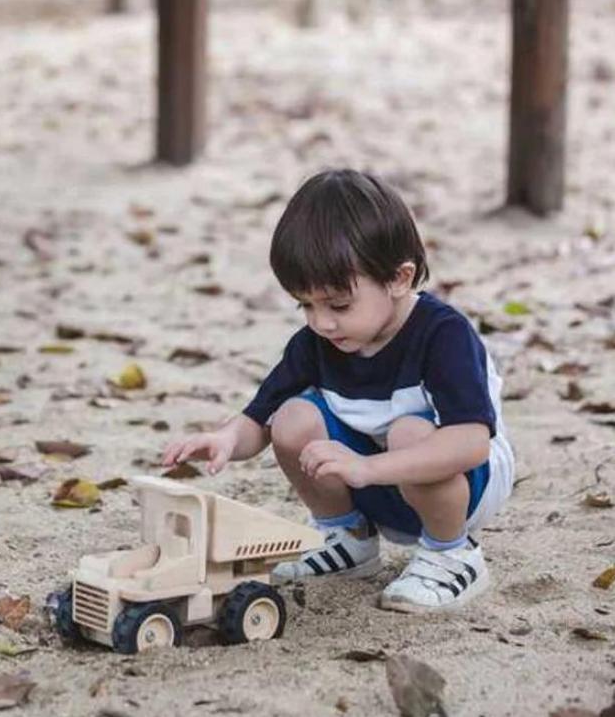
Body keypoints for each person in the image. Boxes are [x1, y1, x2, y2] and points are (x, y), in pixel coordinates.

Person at [162, 169, 514, 613]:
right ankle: (347, 538)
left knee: (409, 430)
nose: (321, 322)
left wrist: (370, 466)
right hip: (370, 477)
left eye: (339, 305)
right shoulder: (318, 342)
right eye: (305, 304)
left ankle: (452, 555)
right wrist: (226, 439)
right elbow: (260, 420)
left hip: (460, 486)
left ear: (400, 278)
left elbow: (470, 443)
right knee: (292, 418)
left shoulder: (444, 336)